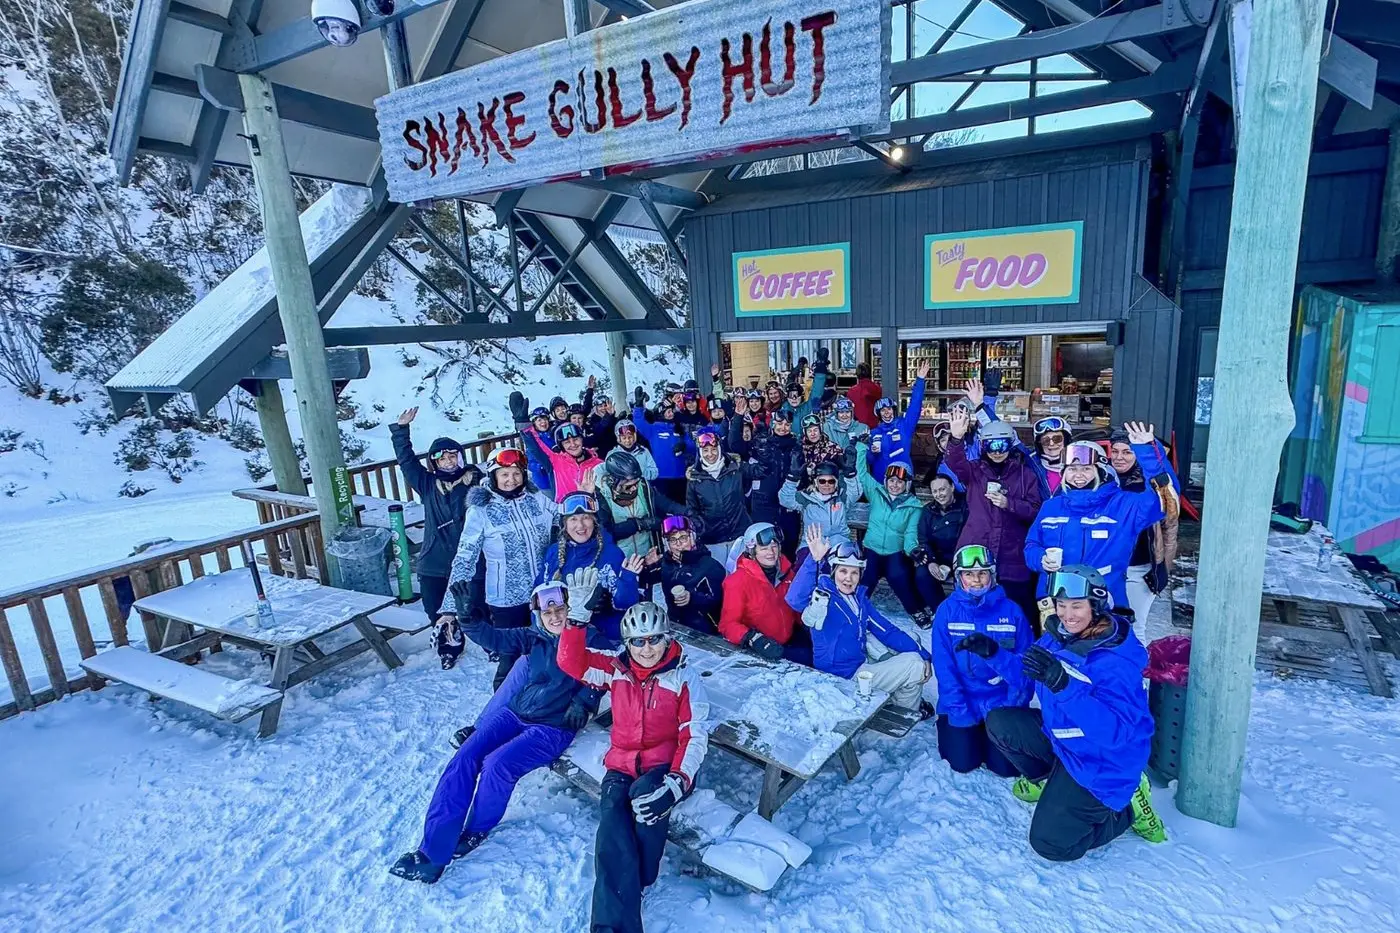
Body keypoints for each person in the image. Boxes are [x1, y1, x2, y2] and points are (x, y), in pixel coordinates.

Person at [389, 579, 606, 884]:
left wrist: (587, 699)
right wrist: (468, 619)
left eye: (560, 608)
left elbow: (613, 668)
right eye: (547, 611)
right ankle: (431, 854)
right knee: (464, 758)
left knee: (497, 765)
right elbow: (493, 638)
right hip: (514, 714)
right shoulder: (534, 638)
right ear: (538, 616)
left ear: (571, 608)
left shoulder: (589, 637)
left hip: (552, 728)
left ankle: (476, 830)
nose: (555, 616)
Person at [983, 565, 1165, 861]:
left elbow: (1117, 733)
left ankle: (1128, 809)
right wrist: (994, 654)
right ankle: (1051, 782)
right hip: (1067, 743)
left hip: (1103, 765)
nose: (1068, 615)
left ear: (1096, 606)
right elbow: (1031, 673)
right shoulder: (1059, 635)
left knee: (1050, 844)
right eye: (1062, 605)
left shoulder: (1114, 663)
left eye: (1077, 606)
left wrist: (1064, 686)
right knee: (1000, 723)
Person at [558, 599, 710, 933]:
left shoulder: (683, 677)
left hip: (667, 766)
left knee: (644, 799)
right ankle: (610, 925)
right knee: (612, 815)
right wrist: (576, 623)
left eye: (654, 638)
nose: (647, 648)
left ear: (667, 638)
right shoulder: (614, 668)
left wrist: (676, 783)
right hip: (623, 762)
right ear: (627, 643)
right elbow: (571, 662)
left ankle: (641, 875)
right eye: (638, 641)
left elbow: (694, 735)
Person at [1024, 424, 1171, 620]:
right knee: (1055, 651)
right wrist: (1040, 559)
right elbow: (1031, 545)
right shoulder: (1051, 506)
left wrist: (1147, 451)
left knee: (1103, 651)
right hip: (1055, 603)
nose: (1078, 475)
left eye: (1086, 468)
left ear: (1101, 471)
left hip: (1103, 604)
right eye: (1072, 469)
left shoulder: (1123, 505)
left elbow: (1163, 497)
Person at [438, 447, 556, 683]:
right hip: (506, 600)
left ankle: (545, 704)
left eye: (516, 473)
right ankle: (503, 710)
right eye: (504, 474)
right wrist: (451, 606)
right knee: (511, 661)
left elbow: (564, 517)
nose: (511, 480)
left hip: (543, 592)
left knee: (547, 652)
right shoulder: (481, 510)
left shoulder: (536, 499)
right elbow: (465, 556)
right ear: (493, 476)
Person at [786, 530, 934, 716]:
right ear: (833, 571)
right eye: (843, 571)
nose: (848, 578)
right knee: (915, 665)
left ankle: (900, 703)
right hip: (843, 677)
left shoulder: (859, 600)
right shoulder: (824, 597)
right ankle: (903, 714)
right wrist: (813, 560)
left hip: (859, 663)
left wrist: (923, 653)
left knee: (912, 643)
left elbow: (887, 630)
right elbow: (794, 600)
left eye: (854, 572)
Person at [930, 545, 1032, 776]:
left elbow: (1025, 669)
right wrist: (959, 710)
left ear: (992, 575)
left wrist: (1012, 706)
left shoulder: (1013, 612)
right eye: (969, 574)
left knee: (1006, 768)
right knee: (963, 763)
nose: (976, 580)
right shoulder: (946, 611)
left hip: (1001, 700)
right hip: (963, 698)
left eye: (982, 573)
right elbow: (944, 669)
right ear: (959, 577)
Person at [943, 409, 1044, 626]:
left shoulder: (1025, 475)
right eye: (991, 445)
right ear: (982, 446)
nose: (997, 452)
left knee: (1017, 604)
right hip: (978, 545)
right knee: (973, 600)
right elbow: (955, 462)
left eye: (1002, 445)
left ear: (1010, 445)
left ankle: (1019, 646)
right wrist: (956, 439)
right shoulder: (975, 471)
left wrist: (1010, 504)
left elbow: (1036, 511)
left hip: (1012, 552)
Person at [389, 407, 482, 623]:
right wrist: (401, 430)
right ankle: (448, 648)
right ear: (435, 463)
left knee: (475, 613)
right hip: (434, 561)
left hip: (470, 560)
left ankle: (488, 647)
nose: (449, 462)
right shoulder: (428, 484)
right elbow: (407, 461)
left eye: (453, 457)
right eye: (443, 459)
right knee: (437, 615)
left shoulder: (476, 482)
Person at [540, 489, 643, 642]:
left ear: (594, 522)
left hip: (601, 635)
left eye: (586, 518)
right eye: (573, 519)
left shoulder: (611, 554)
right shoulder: (553, 553)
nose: (580, 525)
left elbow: (626, 604)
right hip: (560, 632)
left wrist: (627, 580)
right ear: (564, 524)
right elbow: (540, 592)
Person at [854, 440, 931, 627]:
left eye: (900, 481)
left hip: (894, 552)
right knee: (866, 579)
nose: (895, 485)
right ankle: (854, 609)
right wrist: (860, 447)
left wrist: (913, 550)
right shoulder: (876, 493)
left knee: (899, 577)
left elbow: (910, 533)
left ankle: (915, 610)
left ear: (907, 484)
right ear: (886, 480)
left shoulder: (914, 507)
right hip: (871, 548)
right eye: (892, 480)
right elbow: (862, 474)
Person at [1108, 428, 1181, 623]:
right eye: (1115, 451)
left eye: (1127, 452)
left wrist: (1162, 569)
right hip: (1108, 566)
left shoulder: (1148, 482)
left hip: (1139, 568)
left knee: (1135, 627)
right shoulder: (1103, 479)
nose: (1119, 457)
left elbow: (1169, 526)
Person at [718, 523, 812, 665]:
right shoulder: (737, 582)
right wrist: (754, 638)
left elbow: (795, 607)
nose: (771, 552)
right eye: (764, 548)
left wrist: (809, 619)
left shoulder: (786, 573)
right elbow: (727, 625)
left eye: (774, 546)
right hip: (761, 648)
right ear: (752, 551)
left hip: (789, 640)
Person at [685, 425, 765, 564]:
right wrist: (701, 528)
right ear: (700, 452)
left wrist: (765, 452)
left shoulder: (735, 468)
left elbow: (761, 471)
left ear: (720, 449)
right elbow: (692, 509)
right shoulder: (694, 478)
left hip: (739, 535)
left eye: (714, 449)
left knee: (743, 579)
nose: (710, 454)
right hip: (713, 540)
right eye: (706, 450)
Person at [595, 449, 687, 561]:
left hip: (648, 554)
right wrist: (639, 524)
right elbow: (605, 533)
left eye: (636, 483)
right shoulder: (601, 497)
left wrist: (687, 512)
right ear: (613, 481)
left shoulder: (643, 487)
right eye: (628, 486)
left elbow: (665, 503)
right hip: (621, 559)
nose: (634, 488)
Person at [513, 391, 604, 503]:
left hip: (593, 515)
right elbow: (536, 448)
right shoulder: (555, 462)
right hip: (566, 513)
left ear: (582, 439)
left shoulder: (597, 463)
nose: (573, 444)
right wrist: (524, 426)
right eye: (566, 442)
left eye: (576, 439)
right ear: (561, 446)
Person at [779, 459, 862, 564]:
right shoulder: (806, 498)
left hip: (838, 541)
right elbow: (785, 499)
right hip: (811, 543)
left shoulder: (842, 498)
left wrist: (851, 474)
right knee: (803, 570)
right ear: (815, 482)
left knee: (840, 569)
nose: (826, 485)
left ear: (836, 482)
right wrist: (793, 477)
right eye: (822, 481)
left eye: (831, 481)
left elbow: (856, 492)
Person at [654, 515, 725, 635]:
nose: (679, 544)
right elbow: (643, 581)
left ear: (692, 538)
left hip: (706, 631)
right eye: (672, 540)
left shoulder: (709, 565)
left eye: (683, 538)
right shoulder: (666, 564)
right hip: (676, 626)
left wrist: (692, 597)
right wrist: (647, 565)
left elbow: (719, 600)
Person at [911, 474, 968, 616]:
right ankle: (942, 611)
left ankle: (967, 614)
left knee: (966, 578)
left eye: (942, 489)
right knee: (922, 574)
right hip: (938, 556)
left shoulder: (965, 507)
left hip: (962, 556)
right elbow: (924, 539)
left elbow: (971, 536)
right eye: (935, 491)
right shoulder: (928, 511)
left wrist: (953, 564)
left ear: (952, 487)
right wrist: (931, 561)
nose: (939, 494)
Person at [869, 360, 930, 479]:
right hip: (881, 480)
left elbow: (915, 406)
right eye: (883, 410)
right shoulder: (873, 433)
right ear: (879, 414)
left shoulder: (904, 426)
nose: (886, 412)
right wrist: (872, 452)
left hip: (902, 478)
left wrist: (920, 380)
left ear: (894, 410)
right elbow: (870, 461)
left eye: (889, 409)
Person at [631, 387, 688, 502]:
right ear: (661, 413)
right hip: (661, 477)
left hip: (680, 476)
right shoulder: (653, 429)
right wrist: (638, 406)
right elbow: (639, 422)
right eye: (668, 411)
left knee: (681, 508)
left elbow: (692, 446)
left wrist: (684, 445)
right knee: (663, 510)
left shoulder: (678, 428)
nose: (671, 414)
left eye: (672, 411)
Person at [796, 414, 845, 484]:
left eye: (815, 430)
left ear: (820, 430)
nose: (813, 434)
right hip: (806, 488)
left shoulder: (834, 448)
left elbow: (842, 471)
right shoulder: (799, 450)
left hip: (828, 486)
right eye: (809, 431)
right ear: (805, 433)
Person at [1031, 416, 1072, 495]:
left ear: (1066, 440)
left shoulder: (1080, 463)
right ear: (1039, 444)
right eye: (1045, 440)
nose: (1051, 444)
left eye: (1057, 439)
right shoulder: (1031, 463)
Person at [526, 405, 556, 497]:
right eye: (539, 420)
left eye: (545, 419)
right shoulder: (533, 440)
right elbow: (530, 464)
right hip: (543, 481)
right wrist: (541, 467)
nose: (543, 422)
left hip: (559, 478)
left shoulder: (554, 435)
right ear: (534, 423)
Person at [847, 361, 883, 428]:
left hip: (858, 428)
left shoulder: (851, 391)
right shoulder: (878, 389)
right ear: (870, 373)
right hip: (875, 426)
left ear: (857, 375)